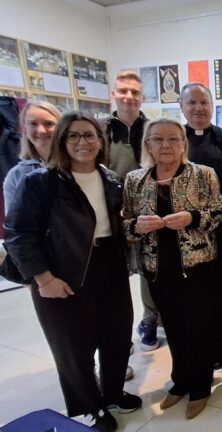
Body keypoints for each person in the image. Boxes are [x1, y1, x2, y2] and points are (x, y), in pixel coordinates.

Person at [4, 112, 140, 432]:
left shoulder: (111, 179)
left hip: (109, 266)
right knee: (74, 347)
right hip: (63, 271)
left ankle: (113, 392)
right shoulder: (41, 181)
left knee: (117, 337)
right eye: (74, 136)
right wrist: (44, 278)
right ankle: (90, 407)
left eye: (90, 135)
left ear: (100, 141)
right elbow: (17, 234)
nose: (83, 142)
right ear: (62, 141)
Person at [122, 117, 222, 420]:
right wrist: (137, 225)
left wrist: (193, 218)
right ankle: (180, 382)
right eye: (158, 139)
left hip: (199, 268)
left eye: (173, 139)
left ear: (183, 144)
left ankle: (201, 387)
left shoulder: (203, 174)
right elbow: (125, 225)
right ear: (148, 145)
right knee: (175, 330)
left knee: (199, 329)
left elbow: (219, 212)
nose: (166, 145)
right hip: (158, 270)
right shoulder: (134, 180)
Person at [180, 82, 222, 368]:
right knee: (185, 296)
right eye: (191, 103)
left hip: (219, 231)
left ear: (213, 106)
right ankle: (189, 346)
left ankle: (216, 343)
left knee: (216, 293)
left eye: (204, 103)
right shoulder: (173, 139)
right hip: (179, 235)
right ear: (181, 107)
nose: (198, 108)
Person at [105, 70, 161, 353]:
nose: (128, 96)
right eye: (123, 91)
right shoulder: (103, 130)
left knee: (149, 270)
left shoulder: (152, 129)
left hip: (147, 214)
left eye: (134, 92)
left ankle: (149, 321)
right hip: (110, 215)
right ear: (113, 93)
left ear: (142, 97)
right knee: (114, 276)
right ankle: (117, 334)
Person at [3, 101, 61, 213]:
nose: (41, 130)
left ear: (61, 127)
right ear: (25, 128)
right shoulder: (16, 176)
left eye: (48, 124)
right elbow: (14, 225)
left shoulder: (79, 165)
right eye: (33, 124)